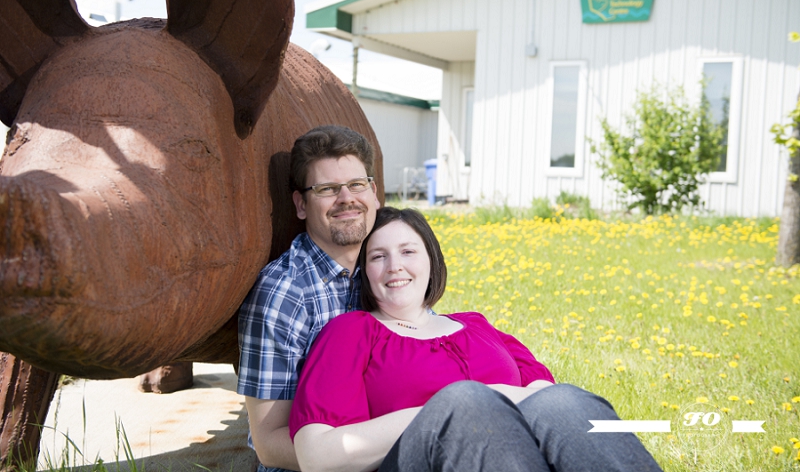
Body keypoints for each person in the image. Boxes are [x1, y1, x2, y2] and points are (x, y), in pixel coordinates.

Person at [289, 207, 664, 472]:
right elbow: (316, 456)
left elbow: (545, 398)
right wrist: (443, 414)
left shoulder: (476, 326)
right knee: (467, 400)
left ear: (431, 261)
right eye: (378, 256)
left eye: (408, 251)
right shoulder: (351, 332)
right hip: (415, 462)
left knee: (565, 399)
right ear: (364, 273)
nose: (395, 266)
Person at [237, 125, 381, 472]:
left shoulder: (386, 269)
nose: (346, 198)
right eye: (328, 189)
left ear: (373, 192)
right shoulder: (284, 295)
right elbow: (268, 444)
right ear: (301, 204)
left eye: (356, 185)